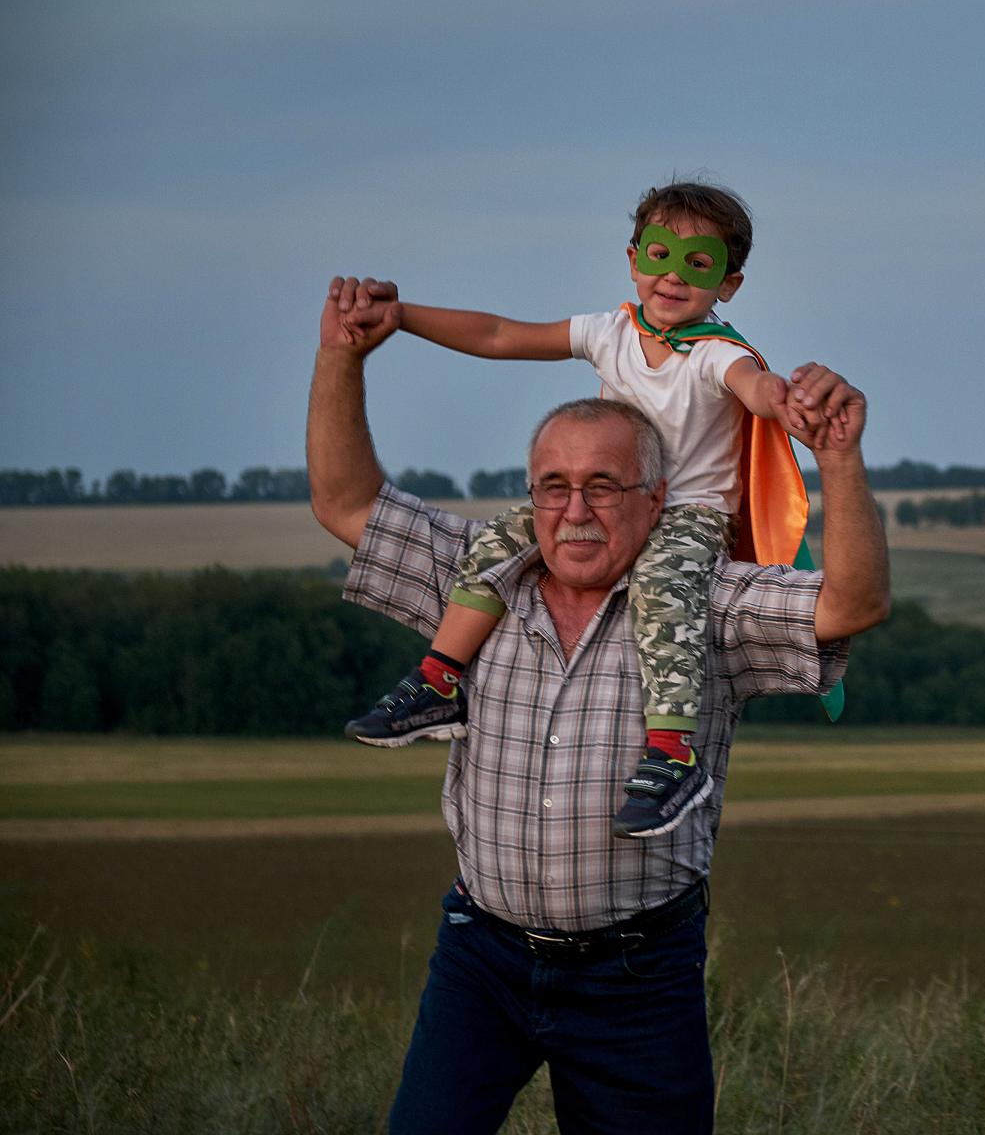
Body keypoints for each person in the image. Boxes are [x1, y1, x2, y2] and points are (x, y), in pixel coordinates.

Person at [307, 277, 890, 1135]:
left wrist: (837, 458)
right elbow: (346, 503)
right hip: (479, 961)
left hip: (638, 977)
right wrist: (342, 356)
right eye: (554, 486)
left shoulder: (706, 604)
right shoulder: (481, 579)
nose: (575, 511)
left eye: (604, 486)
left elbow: (852, 605)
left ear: (658, 500)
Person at [335, 181, 837, 839]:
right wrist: (403, 316)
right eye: (659, 255)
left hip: (689, 516)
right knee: (501, 539)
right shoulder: (611, 331)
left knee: (663, 585)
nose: (673, 276)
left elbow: (755, 387)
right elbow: (498, 334)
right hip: (606, 500)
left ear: (729, 283)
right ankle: (439, 681)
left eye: (698, 264)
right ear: (633, 259)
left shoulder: (718, 354)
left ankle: (673, 751)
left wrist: (787, 398)